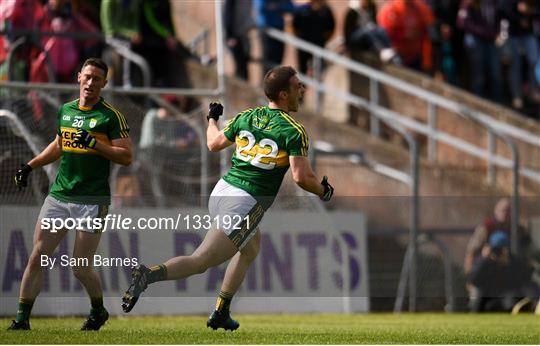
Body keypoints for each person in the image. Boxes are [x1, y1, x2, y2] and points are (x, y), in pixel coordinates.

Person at [122, 66, 334, 331]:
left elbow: (213, 144)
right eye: (297, 86)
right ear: (283, 94)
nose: (301, 90)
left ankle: (221, 311)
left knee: (251, 248)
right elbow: (302, 177)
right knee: (200, 261)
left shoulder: (247, 116)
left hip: (222, 191)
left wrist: (211, 120)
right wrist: (324, 191)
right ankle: (148, 275)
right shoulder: (294, 130)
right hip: (245, 203)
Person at [8, 58, 133, 331]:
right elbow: (58, 144)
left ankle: (98, 310)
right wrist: (30, 166)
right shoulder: (66, 110)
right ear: (78, 77)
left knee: (80, 268)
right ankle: (21, 320)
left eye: (97, 79)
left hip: (91, 200)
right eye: (87, 77)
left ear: (104, 84)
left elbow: (126, 157)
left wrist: (96, 145)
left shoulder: (110, 116)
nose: (90, 83)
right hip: (60, 195)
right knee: (37, 256)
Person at [468, 231, 536, 312]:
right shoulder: (484, 261)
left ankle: (534, 304)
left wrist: (507, 264)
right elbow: (473, 280)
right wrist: (484, 260)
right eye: (496, 249)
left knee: (515, 295)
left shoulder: (513, 261)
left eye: (501, 249)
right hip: (488, 297)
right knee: (478, 295)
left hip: (506, 296)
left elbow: (524, 277)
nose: (498, 252)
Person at [292, 0, 335, 75]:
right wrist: (299, 39)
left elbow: (330, 28)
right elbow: (294, 26)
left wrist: (323, 39)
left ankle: (318, 85)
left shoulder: (325, 10)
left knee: (319, 70)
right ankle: (302, 85)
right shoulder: (302, 9)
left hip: (319, 44)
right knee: (302, 70)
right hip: (303, 45)